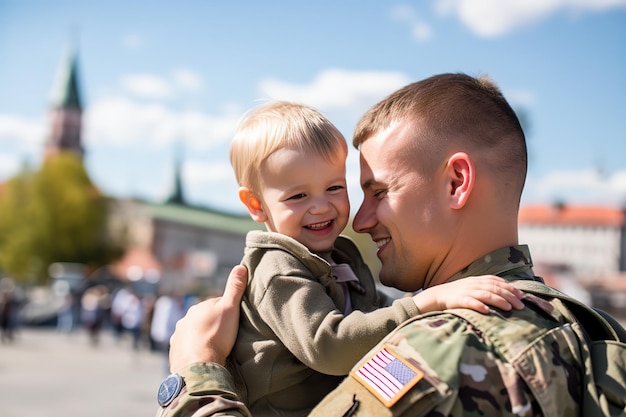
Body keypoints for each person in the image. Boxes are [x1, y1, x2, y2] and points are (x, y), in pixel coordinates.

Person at [158, 73, 587, 416]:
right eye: (298, 196)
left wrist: (196, 375)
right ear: (256, 204)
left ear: (456, 182)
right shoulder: (582, 331)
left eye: (378, 192)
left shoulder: (437, 355)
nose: (358, 222)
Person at [220, 101, 524, 417]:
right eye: (298, 196)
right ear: (256, 205)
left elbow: (373, 311)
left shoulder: (338, 256)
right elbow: (330, 346)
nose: (322, 207)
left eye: (334, 187)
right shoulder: (277, 269)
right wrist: (427, 303)